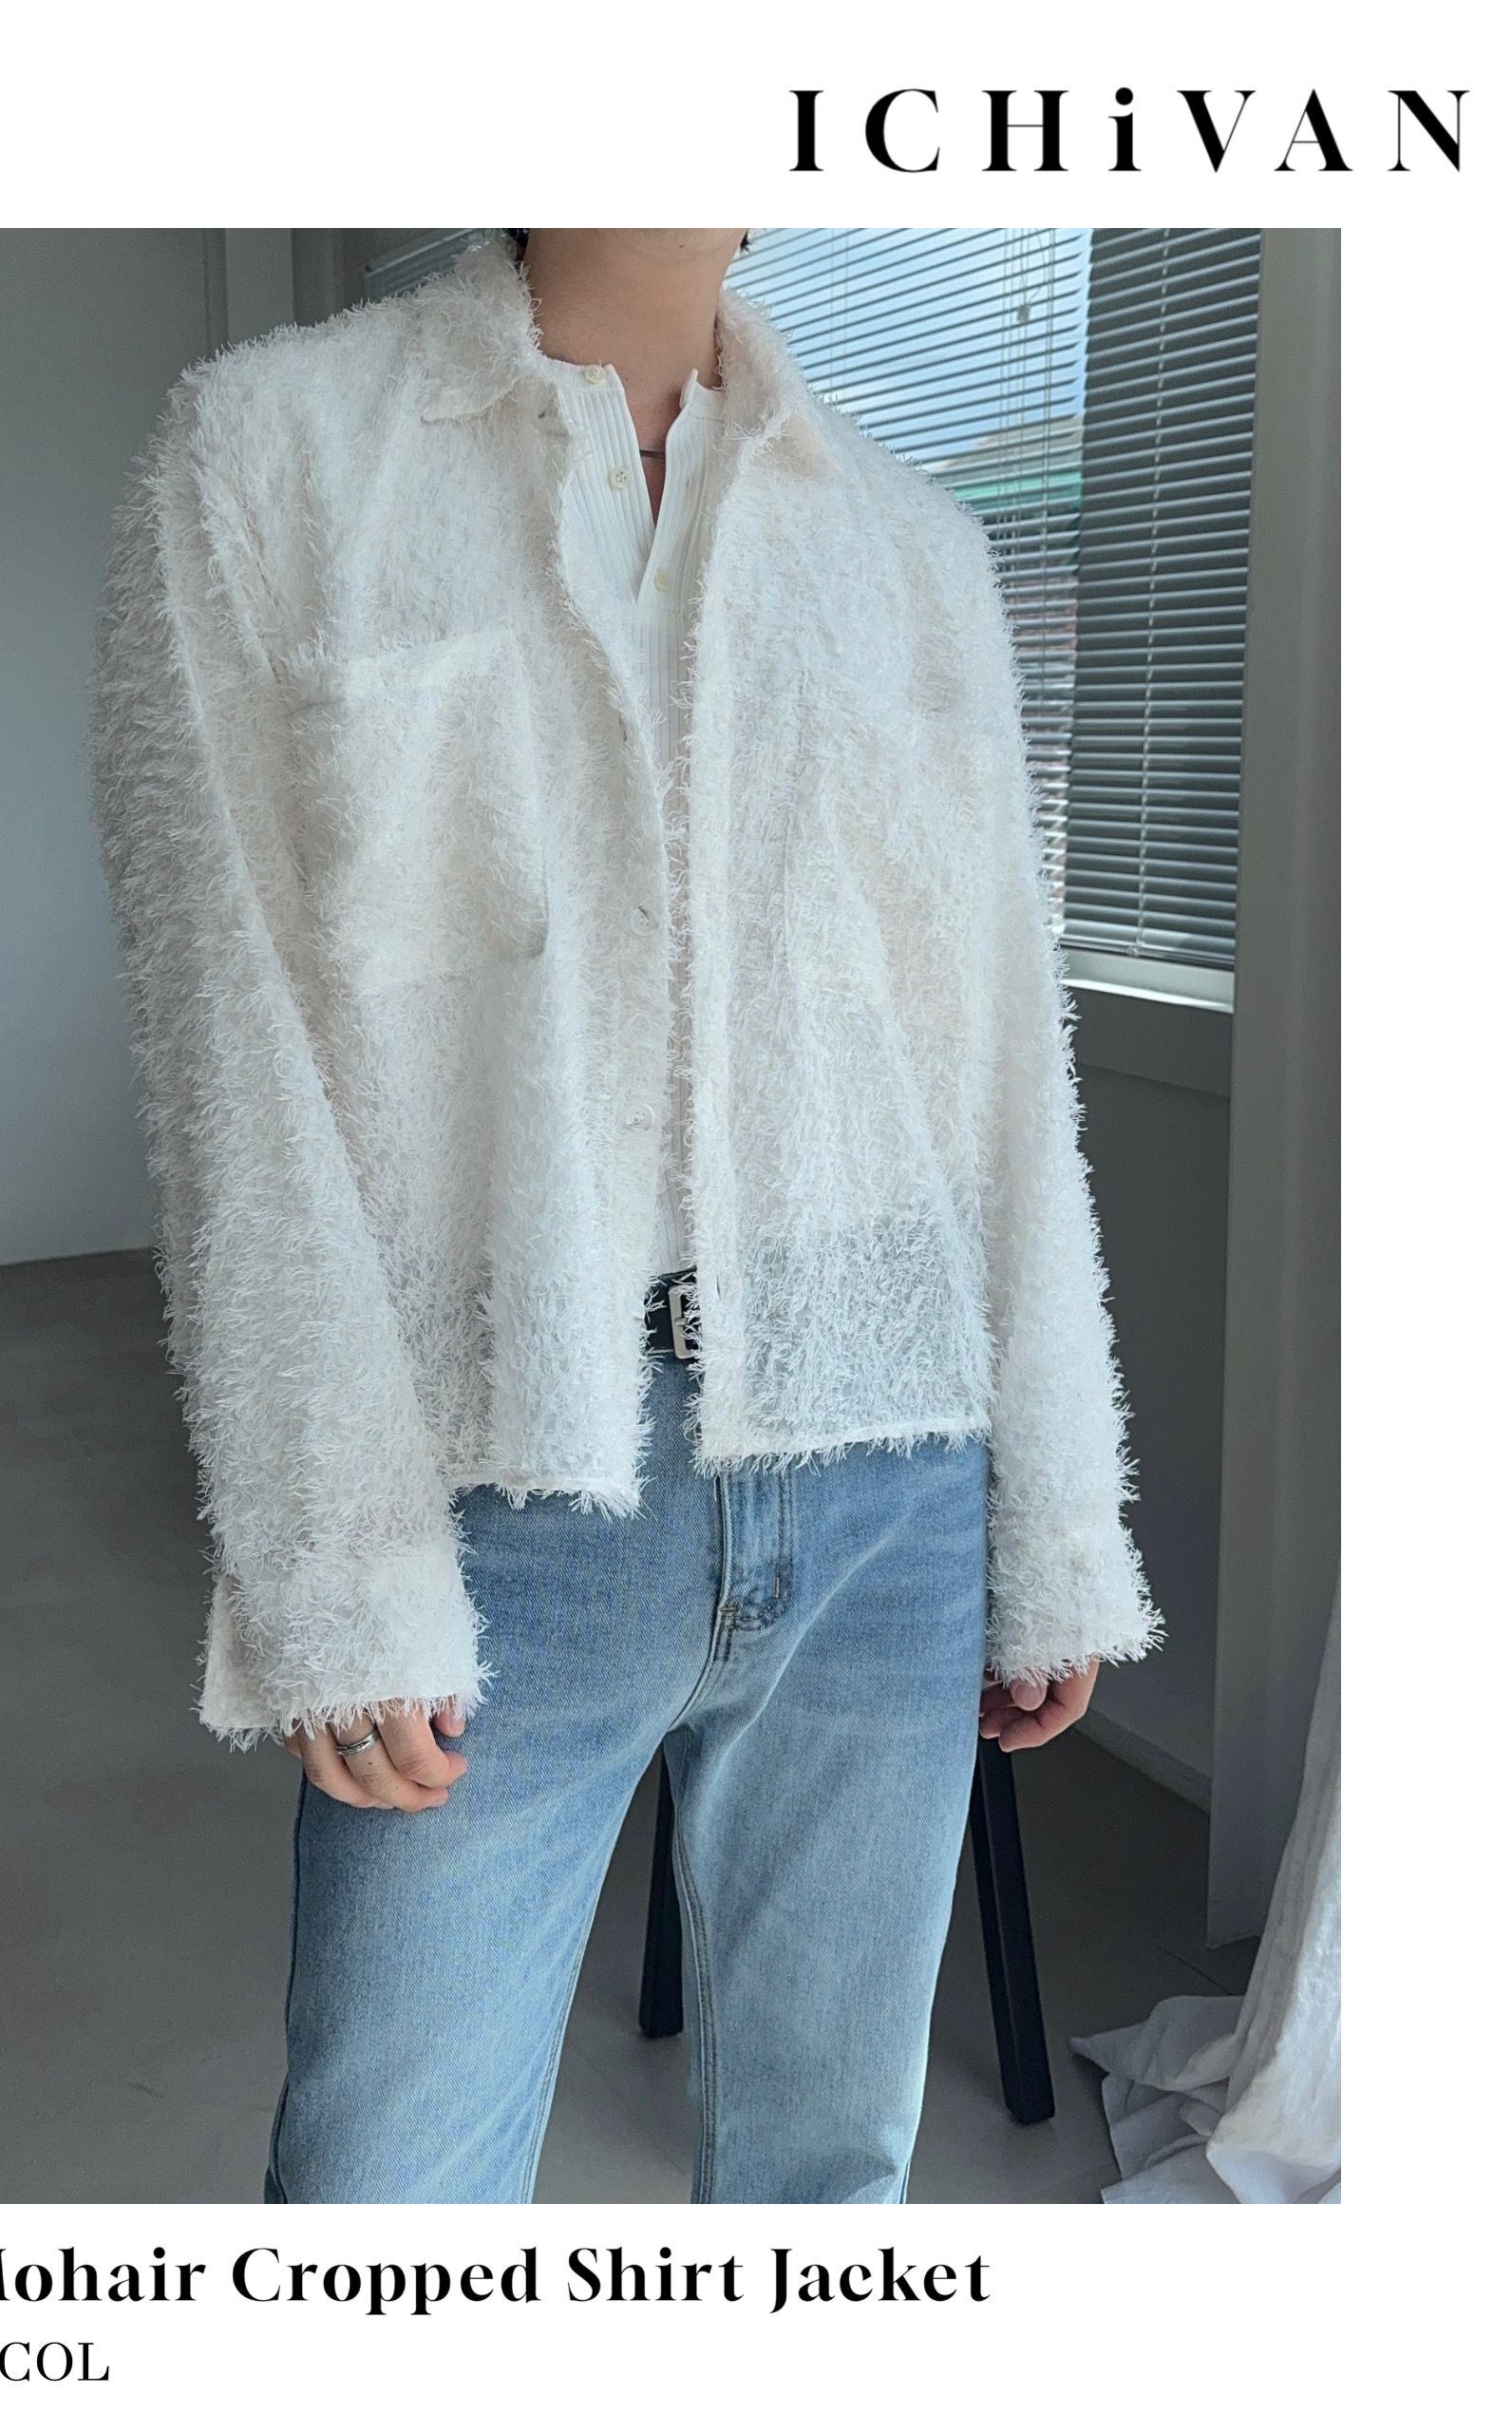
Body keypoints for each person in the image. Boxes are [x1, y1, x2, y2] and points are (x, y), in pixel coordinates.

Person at [90, 226, 1159, 2205]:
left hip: (887, 1471)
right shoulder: (273, 455)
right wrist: (336, 1557)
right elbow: (231, 1046)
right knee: (383, 2196)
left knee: (829, 2178)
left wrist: (1056, 1526)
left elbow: (1004, 1065)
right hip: (505, 1483)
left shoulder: (914, 545)